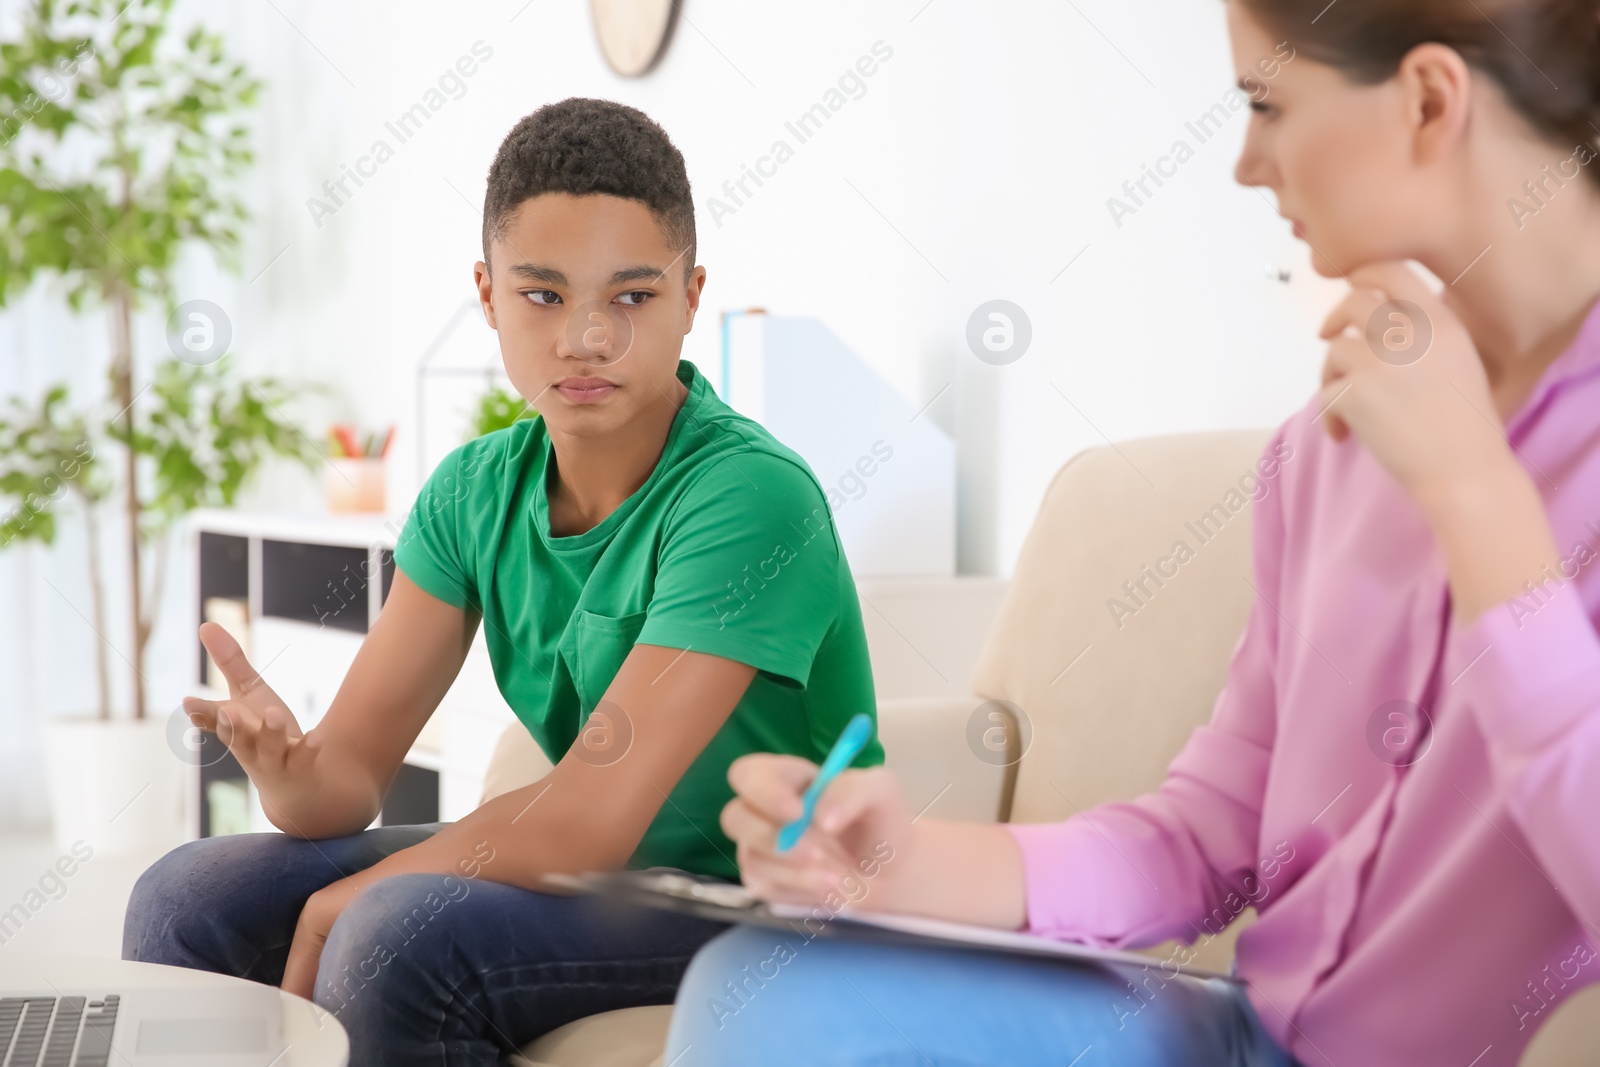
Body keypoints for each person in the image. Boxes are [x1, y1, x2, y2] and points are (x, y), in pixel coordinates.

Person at [667, 1, 1600, 1064]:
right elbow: (1205, 837)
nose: (1247, 164)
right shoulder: (1333, 441)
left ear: (1429, 99)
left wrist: (1475, 492)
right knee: (761, 988)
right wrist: (897, 864)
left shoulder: (1451, 447)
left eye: (1269, 105)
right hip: (1246, 1035)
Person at [122, 97, 884, 1067]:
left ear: (693, 297)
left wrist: (341, 901)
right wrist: (289, 769)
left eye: (633, 296)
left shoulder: (750, 498)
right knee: (187, 894)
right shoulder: (473, 492)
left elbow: (593, 819)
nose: (586, 337)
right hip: (597, 883)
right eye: (543, 295)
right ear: (485, 293)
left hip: (775, 906)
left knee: (396, 931)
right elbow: (345, 782)